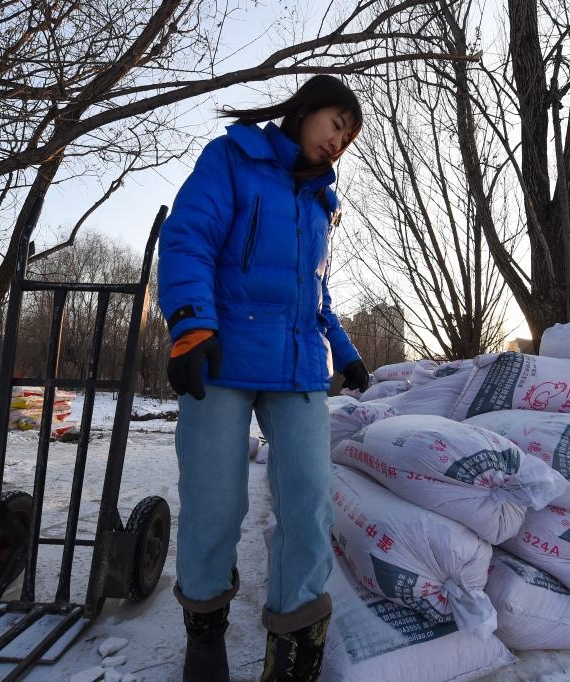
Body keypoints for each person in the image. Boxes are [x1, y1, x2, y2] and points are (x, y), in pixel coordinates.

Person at [157, 75, 370, 682]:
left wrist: (345, 352)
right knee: (214, 505)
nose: (339, 142)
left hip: (298, 363)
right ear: (305, 110)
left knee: (310, 502)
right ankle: (204, 631)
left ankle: (294, 646)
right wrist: (191, 325)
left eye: (348, 138)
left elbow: (316, 292)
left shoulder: (322, 202)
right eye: (337, 124)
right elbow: (189, 237)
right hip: (221, 355)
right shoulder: (233, 156)